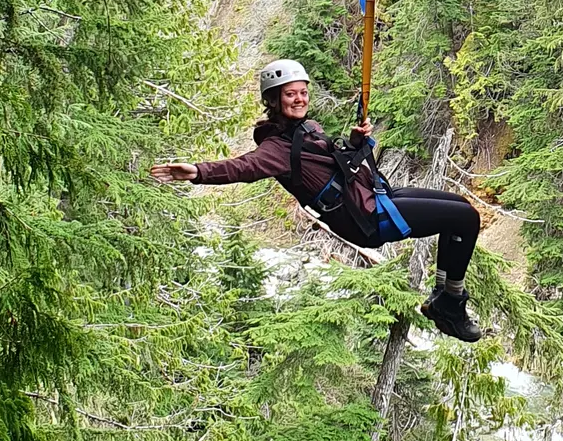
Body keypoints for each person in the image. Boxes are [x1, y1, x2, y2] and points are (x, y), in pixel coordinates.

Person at [150, 58, 483, 343]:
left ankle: (443, 296)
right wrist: (196, 171)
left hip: (374, 195)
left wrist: (354, 142)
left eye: (303, 92)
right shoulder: (276, 149)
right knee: (465, 220)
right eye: (290, 94)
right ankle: (449, 303)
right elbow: (243, 167)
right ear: (274, 100)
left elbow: (332, 165)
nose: (299, 99)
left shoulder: (308, 128)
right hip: (366, 218)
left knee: (462, 210)